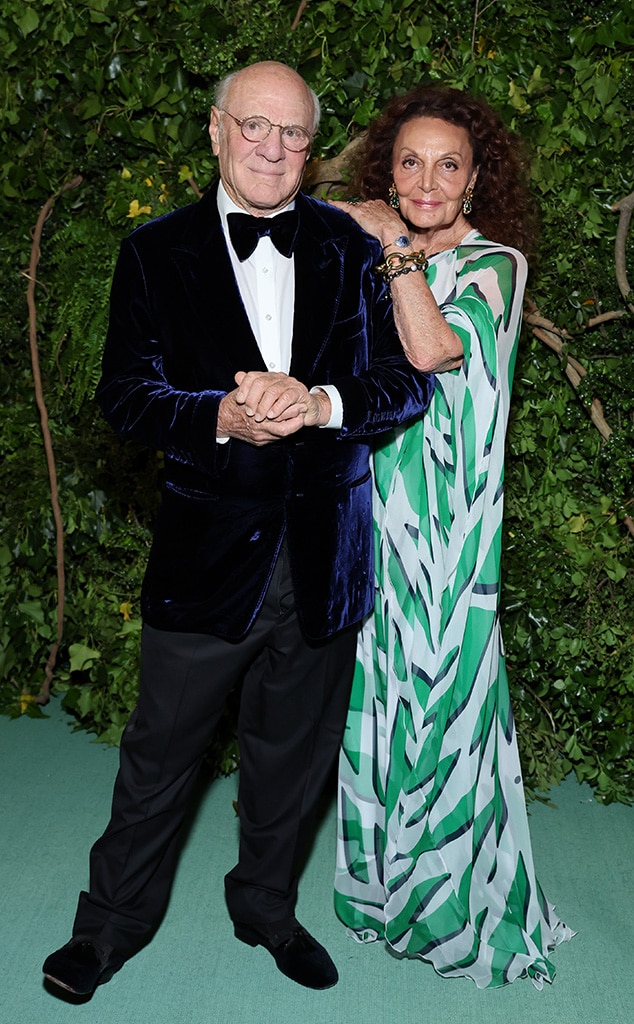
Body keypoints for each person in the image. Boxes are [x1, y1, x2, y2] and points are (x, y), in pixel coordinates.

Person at [41, 61, 437, 998]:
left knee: (291, 766)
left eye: (293, 133)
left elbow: (406, 382)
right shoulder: (154, 252)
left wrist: (321, 402)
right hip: (205, 563)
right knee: (158, 761)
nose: (273, 147)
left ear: (311, 148)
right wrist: (218, 416)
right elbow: (125, 397)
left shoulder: (349, 246)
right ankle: (107, 928)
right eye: (255, 126)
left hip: (325, 560)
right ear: (217, 130)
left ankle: (266, 910)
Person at [331, 85, 574, 988]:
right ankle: (381, 891)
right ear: (387, 171)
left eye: (448, 165)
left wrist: (390, 245)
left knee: (450, 703)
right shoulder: (373, 253)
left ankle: (457, 905)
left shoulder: (495, 266)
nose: (427, 181)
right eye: (410, 162)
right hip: (372, 516)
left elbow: (432, 351)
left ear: (475, 180)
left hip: (451, 531)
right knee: (382, 698)